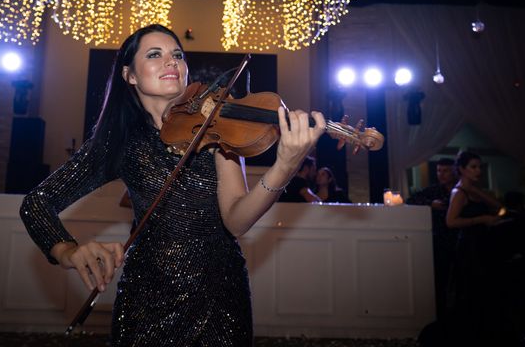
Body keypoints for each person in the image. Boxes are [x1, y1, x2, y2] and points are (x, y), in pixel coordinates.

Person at [20, 24, 326, 346]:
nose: (172, 62)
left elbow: (236, 221)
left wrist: (285, 166)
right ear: (130, 75)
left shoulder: (215, 128)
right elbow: (37, 203)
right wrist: (68, 251)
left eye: (177, 55)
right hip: (146, 297)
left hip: (220, 295)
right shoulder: (120, 142)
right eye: (155, 55)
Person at [445, 151, 504, 346]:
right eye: (473, 167)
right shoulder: (458, 192)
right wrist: (481, 219)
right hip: (469, 247)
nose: (478, 170)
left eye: (479, 167)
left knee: (485, 292)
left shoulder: (471, 190)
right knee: (471, 291)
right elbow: (451, 222)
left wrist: (476, 191)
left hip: (482, 245)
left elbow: (500, 208)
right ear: (462, 169)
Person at [406, 157, 458, 320]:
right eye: (438, 171)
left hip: (460, 238)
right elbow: (411, 200)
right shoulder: (434, 191)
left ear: (454, 172)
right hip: (439, 240)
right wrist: (430, 204)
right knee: (440, 280)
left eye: (445, 171)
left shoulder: (461, 190)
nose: (441, 174)